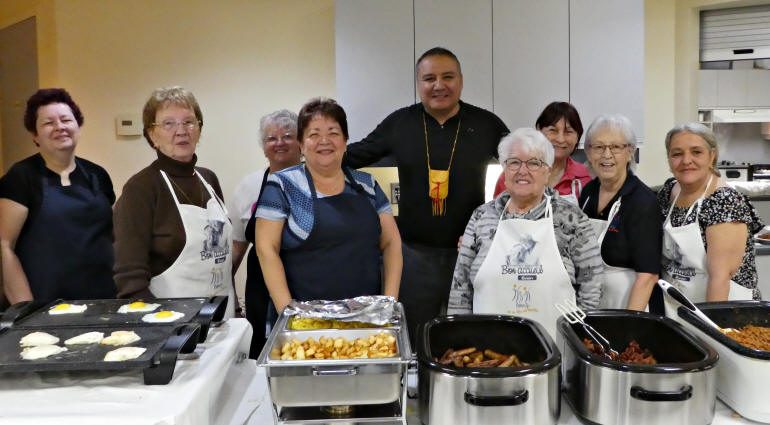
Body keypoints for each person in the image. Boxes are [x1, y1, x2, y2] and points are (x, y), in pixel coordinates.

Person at [344, 47, 509, 345]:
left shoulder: (486, 124)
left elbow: (519, 164)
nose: (438, 85)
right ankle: (417, 386)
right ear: (419, 83)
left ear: (460, 80)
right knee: (416, 334)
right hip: (413, 255)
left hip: (470, 253)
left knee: (468, 336)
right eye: (429, 78)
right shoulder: (400, 123)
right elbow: (354, 155)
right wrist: (312, 154)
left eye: (447, 77)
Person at [448, 128, 603, 339]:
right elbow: (461, 286)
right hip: (488, 351)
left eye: (534, 163)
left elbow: (592, 285)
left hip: (555, 351)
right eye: (513, 162)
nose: (523, 171)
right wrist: (459, 337)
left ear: (548, 170)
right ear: (504, 169)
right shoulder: (482, 217)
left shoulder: (572, 219)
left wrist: (580, 341)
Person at [255, 98, 401, 313]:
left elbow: (391, 243)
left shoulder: (367, 185)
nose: (325, 141)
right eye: (314, 134)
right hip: (306, 321)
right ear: (302, 144)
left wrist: (389, 304)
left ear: (345, 141)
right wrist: (288, 312)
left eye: (333, 133)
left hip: (367, 316)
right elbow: (266, 249)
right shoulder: (282, 186)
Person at [113, 86, 236, 317]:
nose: (181, 131)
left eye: (189, 122)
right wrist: (162, 329)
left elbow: (222, 262)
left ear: (199, 129)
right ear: (152, 135)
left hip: (223, 319)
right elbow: (129, 279)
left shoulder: (208, 179)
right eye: (168, 124)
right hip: (173, 329)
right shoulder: (141, 189)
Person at [0, 88, 116, 304]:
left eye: (66, 120)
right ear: (35, 135)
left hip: (103, 300)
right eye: (48, 123)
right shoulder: (21, 177)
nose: (60, 127)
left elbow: (110, 236)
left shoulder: (97, 174)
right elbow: (4, 246)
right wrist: (25, 310)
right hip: (44, 307)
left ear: (77, 126)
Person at [657, 123, 763, 316]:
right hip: (677, 307)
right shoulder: (669, 190)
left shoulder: (724, 201)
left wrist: (711, 335)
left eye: (696, 152)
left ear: (712, 156)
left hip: (723, 312)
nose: (686, 160)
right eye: (677, 154)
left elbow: (720, 279)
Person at [229, 109, 302, 358]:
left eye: (288, 136)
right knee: (262, 350)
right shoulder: (249, 185)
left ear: (301, 142)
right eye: (271, 138)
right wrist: (227, 296)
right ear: (263, 146)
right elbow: (237, 245)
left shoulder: (316, 181)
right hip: (260, 286)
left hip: (303, 283)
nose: (279, 143)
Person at [579, 115, 661, 311]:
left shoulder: (642, 201)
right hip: (592, 302)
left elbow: (648, 275)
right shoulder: (589, 192)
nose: (607, 155)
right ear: (589, 153)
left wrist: (628, 325)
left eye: (616, 147)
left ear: (630, 152)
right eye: (598, 147)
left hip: (630, 304)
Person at [493, 102, 591, 205]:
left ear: (578, 137)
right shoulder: (513, 174)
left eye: (568, 132)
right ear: (539, 130)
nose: (560, 139)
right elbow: (494, 214)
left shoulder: (584, 177)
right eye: (553, 130)